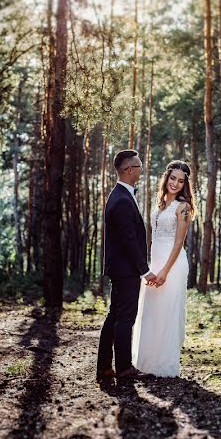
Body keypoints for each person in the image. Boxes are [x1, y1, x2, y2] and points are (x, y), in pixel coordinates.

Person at [96, 150, 156, 383]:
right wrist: (144, 269)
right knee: (125, 318)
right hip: (126, 270)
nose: (142, 170)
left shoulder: (120, 195)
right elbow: (129, 240)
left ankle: (104, 367)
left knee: (115, 316)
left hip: (121, 269)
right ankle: (123, 368)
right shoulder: (121, 199)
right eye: (139, 166)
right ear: (129, 169)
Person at [132, 160, 195, 378]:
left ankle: (165, 367)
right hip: (155, 262)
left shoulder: (183, 207)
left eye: (180, 180)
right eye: (172, 178)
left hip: (173, 265)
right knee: (151, 311)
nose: (175, 183)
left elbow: (179, 243)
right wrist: (151, 267)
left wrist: (165, 272)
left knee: (167, 312)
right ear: (166, 178)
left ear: (185, 184)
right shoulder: (160, 204)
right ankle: (146, 364)